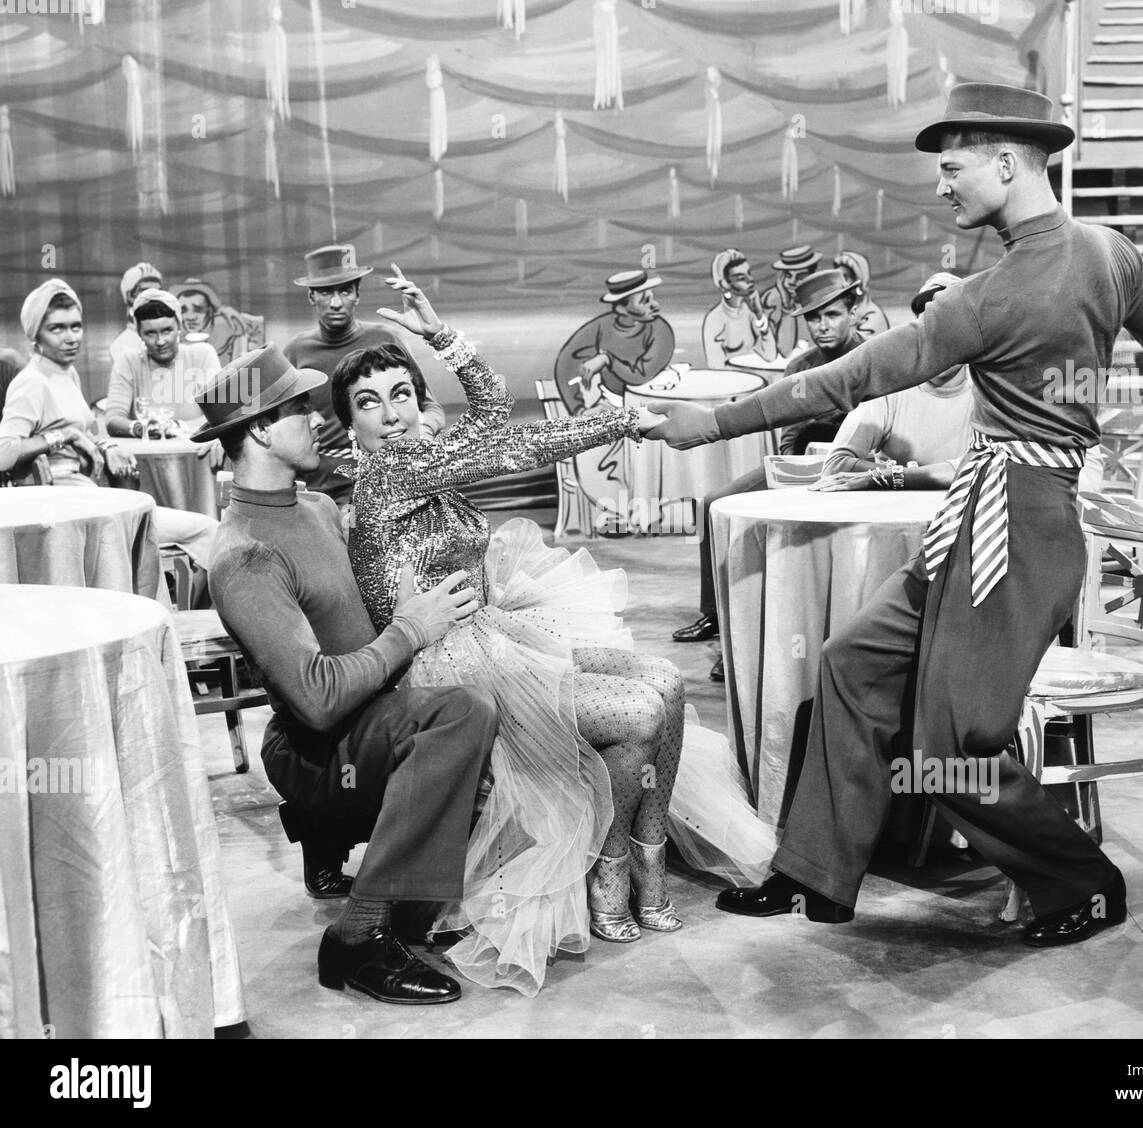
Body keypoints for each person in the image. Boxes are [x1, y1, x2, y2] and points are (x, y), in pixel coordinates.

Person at [646, 83, 1143, 947]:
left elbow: (849, 379)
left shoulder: (988, 296)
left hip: (1015, 530)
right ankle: (814, 873)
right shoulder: (1109, 253)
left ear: (1009, 162)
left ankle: (1080, 885)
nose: (941, 187)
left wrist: (712, 422)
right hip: (992, 516)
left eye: (952, 169)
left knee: (960, 744)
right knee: (851, 663)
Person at [337, 266, 775, 996]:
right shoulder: (386, 479)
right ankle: (615, 874)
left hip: (492, 635)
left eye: (402, 395)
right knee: (640, 711)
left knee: (665, 678)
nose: (390, 414)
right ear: (349, 426)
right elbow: (514, 450)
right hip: (447, 671)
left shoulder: (426, 466)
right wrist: (621, 418)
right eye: (368, 403)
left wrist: (441, 333)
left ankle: (638, 865)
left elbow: (489, 418)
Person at [195, 343, 498, 1006]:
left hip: (370, 716)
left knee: (484, 696)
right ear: (261, 430)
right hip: (316, 747)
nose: (315, 419)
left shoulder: (317, 509)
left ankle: (388, 883)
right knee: (462, 713)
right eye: (298, 408)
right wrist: (412, 629)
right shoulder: (244, 555)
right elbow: (316, 700)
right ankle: (356, 937)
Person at [671, 267, 870, 681]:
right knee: (716, 504)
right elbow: (790, 428)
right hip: (801, 468)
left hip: (856, 472)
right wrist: (789, 471)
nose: (822, 327)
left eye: (832, 315)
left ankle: (763, 638)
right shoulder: (802, 364)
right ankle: (721, 620)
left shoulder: (874, 359)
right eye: (813, 318)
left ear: (855, 311)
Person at [0, 280, 219, 573]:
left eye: (75, 326)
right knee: (206, 530)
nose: (70, 337)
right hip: (65, 506)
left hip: (88, 494)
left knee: (194, 530)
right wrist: (62, 436)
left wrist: (104, 445)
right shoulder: (32, 381)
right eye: (57, 328)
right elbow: (4, 452)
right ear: (35, 335)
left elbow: (85, 432)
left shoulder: (66, 373)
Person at [283, 243, 446, 505]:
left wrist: (421, 435)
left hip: (380, 482)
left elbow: (431, 408)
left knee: (359, 536)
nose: (336, 302)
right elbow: (276, 422)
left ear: (357, 295)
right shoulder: (295, 351)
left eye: (345, 291)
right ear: (311, 297)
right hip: (316, 487)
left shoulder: (384, 339)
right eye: (325, 292)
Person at [813, 272, 973, 492]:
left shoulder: (989, 390)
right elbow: (835, 464)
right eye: (929, 330)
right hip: (897, 519)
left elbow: (985, 468)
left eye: (951, 331)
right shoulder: (889, 385)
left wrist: (895, 476)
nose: (940, 344)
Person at [554, 269, 676, 417]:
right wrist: (580, 411)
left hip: (654, 407)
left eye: (652, 298)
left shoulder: (661, 330)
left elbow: (640, 375)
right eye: (645, 301)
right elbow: (566, 364)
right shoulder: (601, 326)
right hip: (611, 405)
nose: (655, 305)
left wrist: (607, 360)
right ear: (621, 308)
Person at [104, 288, 221, 440]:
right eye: (150, 333)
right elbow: (113, 420)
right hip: (146, 458)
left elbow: (219, 415)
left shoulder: (202, 355)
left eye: (167, 331)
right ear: (139, 333)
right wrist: (143, 428)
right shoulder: (128, 360)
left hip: (195, 453)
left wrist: (177, 428)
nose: (160, 341)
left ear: (179, 326)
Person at [701, 249, 777, 369]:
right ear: (724, 284)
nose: (750, 280)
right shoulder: (714, 319)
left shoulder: (751, 313)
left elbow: (770, 356)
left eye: (749, 273)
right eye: (741, 278)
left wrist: (759, 314)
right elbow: (716, 367)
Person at [172, 277, 265, 367]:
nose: (190, 317)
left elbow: (255, 324)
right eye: (183, 310)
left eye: (198, 310)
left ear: (210, 310)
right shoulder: (176, 331)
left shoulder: (225, 324)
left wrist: (252, 353)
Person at [760, 245, 822, 358]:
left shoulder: (823, 301)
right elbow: (784, 352)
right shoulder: (772, 300)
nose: (791, 282)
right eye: (788, 276)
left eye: (800, 276)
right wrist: (787, 308)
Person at [110, 262, 164, 365]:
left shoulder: (172, 334)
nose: (154, 297)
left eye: (158, 292)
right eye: (146, 291)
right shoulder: (122, 345)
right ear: (130, 297)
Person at [834, 251, 892, 338]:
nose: (839, 283)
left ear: (859, 281)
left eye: (845, 277)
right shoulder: (840, 312)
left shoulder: (872, 316)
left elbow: (864, 348)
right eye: (837, 277)